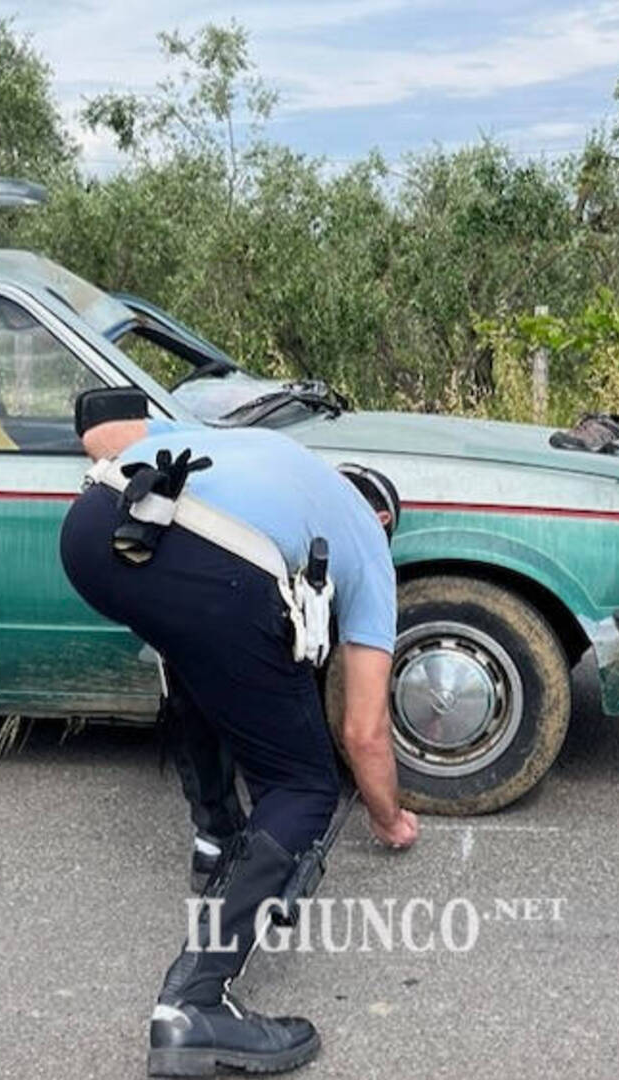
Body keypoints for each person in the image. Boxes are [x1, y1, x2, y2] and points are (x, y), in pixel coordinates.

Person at [60, 401, 419, 1077]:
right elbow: (363, 730)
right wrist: (389, 816)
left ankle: (216, 839)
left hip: (93, 531)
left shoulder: (252, 447)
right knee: (304, 784)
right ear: (382, 519)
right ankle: (193, 1005)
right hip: (217, 564)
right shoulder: (369, 542)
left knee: (201, 659)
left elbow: (102, 436)